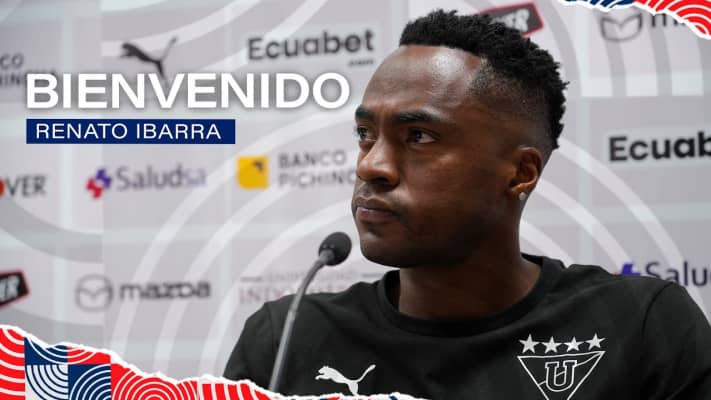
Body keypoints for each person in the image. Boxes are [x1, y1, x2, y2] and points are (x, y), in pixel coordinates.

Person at [224, 10, 711, 399]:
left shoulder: (639, 327)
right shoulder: (285, 340)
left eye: (418, 136)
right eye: (365, 134)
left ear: (520, 173)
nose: (371, 165)